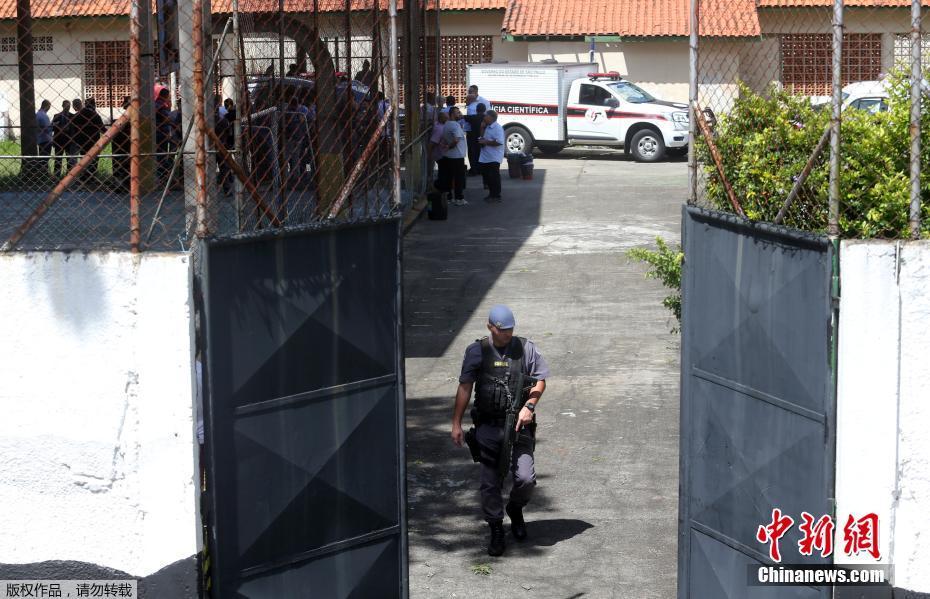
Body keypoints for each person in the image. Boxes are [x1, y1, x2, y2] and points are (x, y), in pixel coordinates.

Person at [451, 305, 549, 556]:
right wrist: (456, 423)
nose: (507, 334)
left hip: (519, 425)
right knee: (489, 483)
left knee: (525, 478)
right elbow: (464, 387)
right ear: (490, 327)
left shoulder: (526, 348)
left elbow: (540, 379)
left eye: (510, 329)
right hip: (488, 426)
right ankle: (495, 527)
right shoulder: (477, 351)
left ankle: (515, 509)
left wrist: (529, 405)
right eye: (502, 330)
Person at [440, 106, 467, 206]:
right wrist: (449, 146)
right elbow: (456, 140)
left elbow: (444, 139)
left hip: (449, 156)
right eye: (457, 112)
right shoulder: (455, 125)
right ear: (452, 114)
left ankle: (449, 197)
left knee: (449, 176)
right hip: (457, 156)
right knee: (458, 178)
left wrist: (446, 146)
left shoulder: (446, 124)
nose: (459, 114)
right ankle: (459, 198)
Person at [70, 98, 103, 180]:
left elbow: (72, 129)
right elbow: (102, 128)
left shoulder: (77, 116)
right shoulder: (94, 115)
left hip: (82, 141)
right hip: (94, 140)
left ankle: (85, 176)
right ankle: (92, 176)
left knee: (84, 158)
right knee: (94, 159)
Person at [478, 109, 505, 202]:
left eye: (486, 116)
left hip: (494, 156)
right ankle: (491, 194)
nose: (484, 117)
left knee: (494, 176)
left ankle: (497, 195)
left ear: (491, 117)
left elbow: (499, 142)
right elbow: (481, 138)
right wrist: (482, 128)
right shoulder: (487, 127)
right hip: (485, 156)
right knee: (487, 176)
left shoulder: (497, 128)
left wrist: (486, 142)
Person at [464, 85, 489, 176]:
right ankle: (476, 168)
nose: (469, 93)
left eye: (471, 91)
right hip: (474, 130)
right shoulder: (471, 103)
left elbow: (486, 116)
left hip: (477, 130)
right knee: (474, 150)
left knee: (476, 150)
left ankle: (478, 168)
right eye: (469, 92)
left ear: (476, 91)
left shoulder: (484, 102)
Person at [112, 96, 131, 191]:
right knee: (123, 166)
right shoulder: (124, 116)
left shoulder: (129, 116)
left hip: (123, 144)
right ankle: (121, 185)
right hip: (123, 144)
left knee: (122, 166)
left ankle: (121, 185)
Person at [51, 100, 72, 177]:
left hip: (69, 140)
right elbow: (52, 128)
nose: (68, 108)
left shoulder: (72, 116)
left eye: (69, 106)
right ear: (62, 106)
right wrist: (57, 126)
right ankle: (57, 175)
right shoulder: (56, 116)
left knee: (69, 159)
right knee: (58, 159)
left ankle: (69, 175)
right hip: (58, 141)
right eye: (66, 106)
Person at [429, 110, 449, 188]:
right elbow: (432, 143)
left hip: (442, 153)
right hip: (441, 154)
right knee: (443, 172)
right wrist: (429, 155)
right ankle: (441, 188)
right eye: (446, 118)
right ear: (442, 119)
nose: (448, 120)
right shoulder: (440, 129)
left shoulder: (439, 125)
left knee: (443, 172)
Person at [36, 100, 53, 168]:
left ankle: (43, 172)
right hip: (46, 139)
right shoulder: (43, 116)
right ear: (47, 106)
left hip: (40, 139)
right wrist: (53, 125)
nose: (49, 108)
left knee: (42, 157)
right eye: (49, 106)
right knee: (45, 158)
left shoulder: (37, 114)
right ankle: (44, 172)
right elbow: (47, 129)